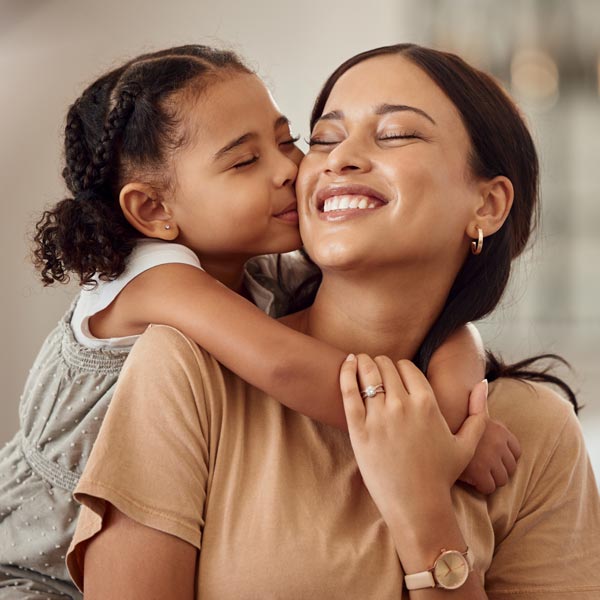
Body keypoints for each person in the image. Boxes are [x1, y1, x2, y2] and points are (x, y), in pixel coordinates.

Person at [66, 43, 600, 598]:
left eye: (396, 134)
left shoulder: (534, 433)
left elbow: (456, 331)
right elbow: (280, 363)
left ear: (487, 205)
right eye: (323, 138)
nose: (337, 158)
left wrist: (425, 518)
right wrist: (434, 429)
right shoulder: (186, 364)